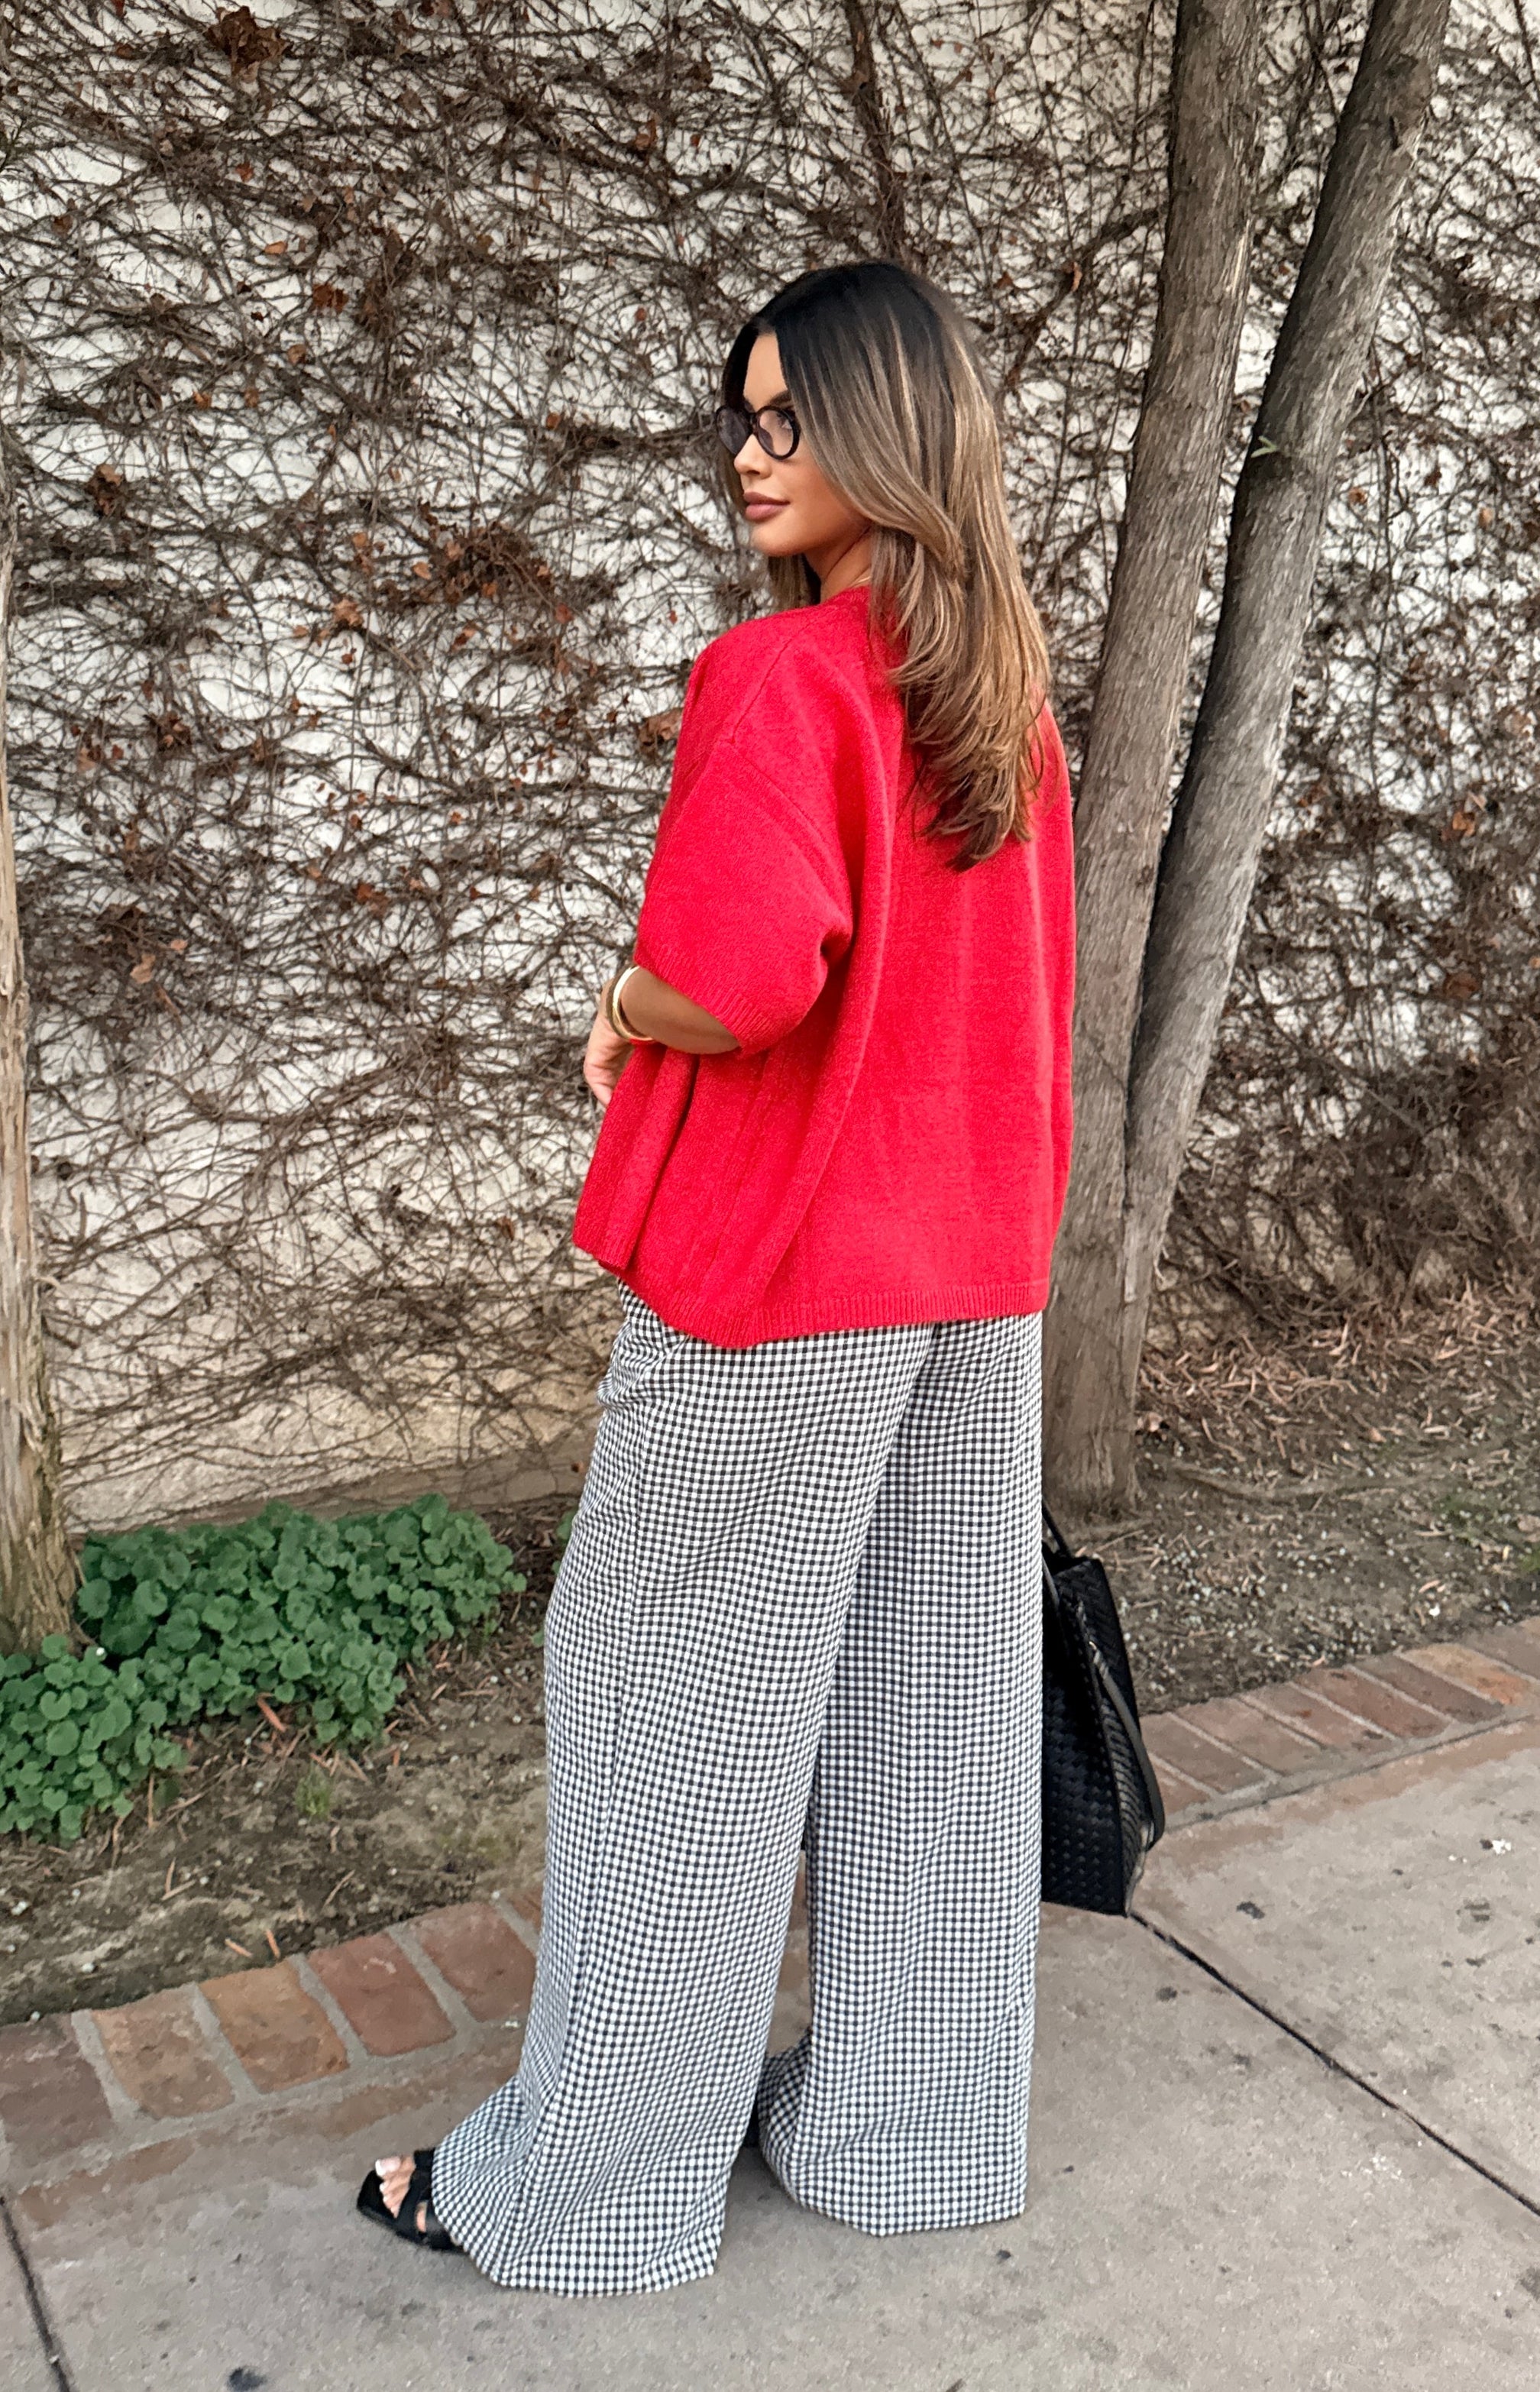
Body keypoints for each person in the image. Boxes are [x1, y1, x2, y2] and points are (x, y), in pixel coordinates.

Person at [358, 259, 1075, 2295]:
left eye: (793, 418)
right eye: (743, 419)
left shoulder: (785, 675)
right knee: (932, 1710)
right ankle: (908, 2129)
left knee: (671, 1707)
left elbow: (746, 974)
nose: (754, 456)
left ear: (889, 437)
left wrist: (624, 998)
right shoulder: (1004, 696)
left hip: (787, 1279)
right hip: (972, 1276)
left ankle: (600, 2188)